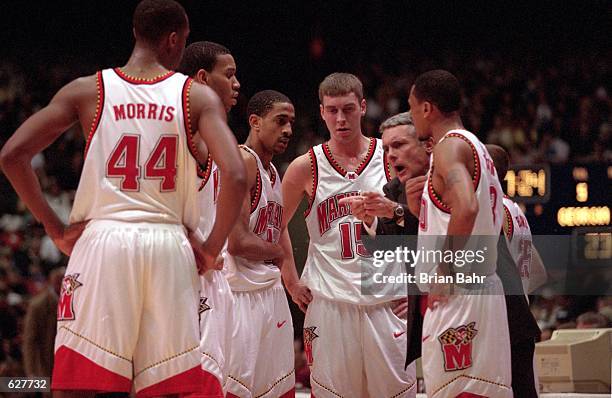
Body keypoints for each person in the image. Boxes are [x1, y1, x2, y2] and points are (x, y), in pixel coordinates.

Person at [0, 0, 247, 395]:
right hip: (169, 244)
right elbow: (235, 174)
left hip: (104, 241)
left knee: (77, 384)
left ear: (135, 34)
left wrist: (55, 227)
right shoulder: (195, 97)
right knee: (165, 387)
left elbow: (12, 155)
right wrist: (210, 248)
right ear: (174, 40)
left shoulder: (88, 90)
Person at [282, 73, 416, 397]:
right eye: (332, 110)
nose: (340, 118)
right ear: (322, 112)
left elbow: (421, 222)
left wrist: (417, 285)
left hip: (387, 298)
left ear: (363, 107)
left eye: (348, 109)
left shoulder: (391, 155)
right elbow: (274, 225)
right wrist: (290, 280)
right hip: (330, 303)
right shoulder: (305, 166)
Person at [410, 69, 512, 397]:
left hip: (460, 291)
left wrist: (444, 267)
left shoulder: (447, 148)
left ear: (427, 108)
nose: (412, 117)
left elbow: (467, 208)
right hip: (482, 287)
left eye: (412, 108)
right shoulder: (477, 146)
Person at [341, 111, 429, 368]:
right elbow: (386, 250)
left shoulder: (447, 178)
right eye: (387, 147)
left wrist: (396, 211)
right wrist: (368, 221)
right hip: (431, 309)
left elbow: (446, 242)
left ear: (426, 144)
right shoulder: (394, 189)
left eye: (399, 145)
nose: (390, 154)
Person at [224, 90, 296, 398]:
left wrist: (291, 278)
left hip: (269, 290)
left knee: (277, 389)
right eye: (280, 121)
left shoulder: (272, 170)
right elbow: (237, 242)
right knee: (237, 389)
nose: (288, 130)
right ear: (255, 121)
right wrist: (277, 253)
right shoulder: (244, 162)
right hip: (241, 295)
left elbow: (277, 230)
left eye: (291, 122)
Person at [178, 40, 241, 395]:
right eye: (229, 75)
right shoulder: (190, 134)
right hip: (190, 273)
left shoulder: (215, 137)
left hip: (214, 278)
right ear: (202, 78)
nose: (236, 84)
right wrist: (209, 246)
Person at [23, 267, 65, 380]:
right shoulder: (38, 306)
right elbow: (30, 340)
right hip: (46, 362)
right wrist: (31, 372)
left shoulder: (73, 300)